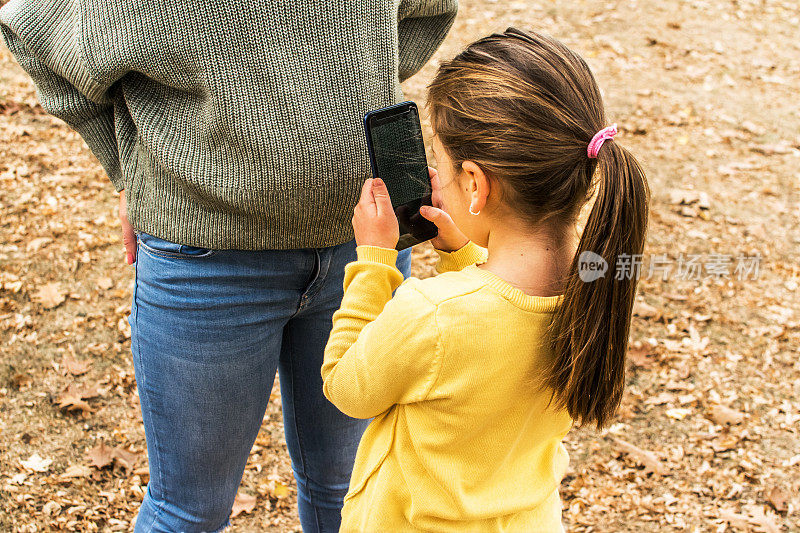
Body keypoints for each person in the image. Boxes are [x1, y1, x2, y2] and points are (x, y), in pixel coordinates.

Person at [0, 0, 459, 531]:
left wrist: (352, 73)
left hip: (364, 251)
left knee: (350, 490)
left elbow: (431, 9)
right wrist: (126, 164)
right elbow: (35, 29)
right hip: (208, 266)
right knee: (188, 512)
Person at [321, 27, 650, 532]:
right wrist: (460, 254)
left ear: (475, 184)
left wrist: (374, 260)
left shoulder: (431, 314)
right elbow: (495, 325)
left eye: (445, 167)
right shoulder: (596, 287)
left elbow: (346, 388)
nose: (439, 178)